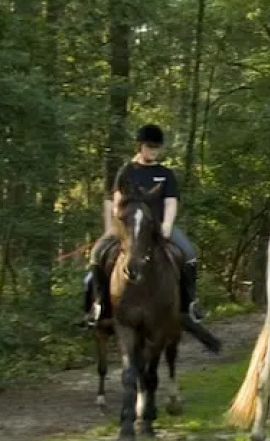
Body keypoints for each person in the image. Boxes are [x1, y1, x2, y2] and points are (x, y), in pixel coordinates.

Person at [83, 124, 204, 326]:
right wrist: (119, 225)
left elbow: (171, 202)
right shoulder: (127, 171)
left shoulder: (165, 174)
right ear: (139, 146)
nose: (154, 151)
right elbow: (117, 202)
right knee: (97, 254)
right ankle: (99, 304)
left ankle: (189, 304)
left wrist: (167, 224)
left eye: (156, 147)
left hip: (157, 226)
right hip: (128, 227)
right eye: (150, 146)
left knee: (189, 255)